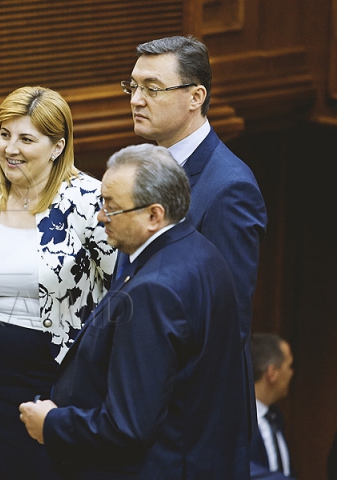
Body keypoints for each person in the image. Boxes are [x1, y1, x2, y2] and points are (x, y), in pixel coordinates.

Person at [19, 143, 250, 479]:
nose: (100, 217)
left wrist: (52, 423)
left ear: (153, 215)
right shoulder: (203, 253)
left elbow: (128, 426)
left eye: (111, 209)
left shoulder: (153, 291)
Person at [0, 86, 117, 480]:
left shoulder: (90, 201)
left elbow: (118, 284)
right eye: (4, 134)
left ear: (57, 146)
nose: (11, 148)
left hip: (56, 377)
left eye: (26, 138)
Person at [123, 34, 268, 439]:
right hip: (144, 401)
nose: (136, 99)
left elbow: (223, 324)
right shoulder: (144, 165)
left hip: (189, 419)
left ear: (195, 96)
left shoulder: (229, 188)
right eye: (133, 86)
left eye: (152, 88)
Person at [250, 332, 296, 478]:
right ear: (272, 373)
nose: (291, 373)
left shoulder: (275, 417)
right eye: (289, 366)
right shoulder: (236, 423)